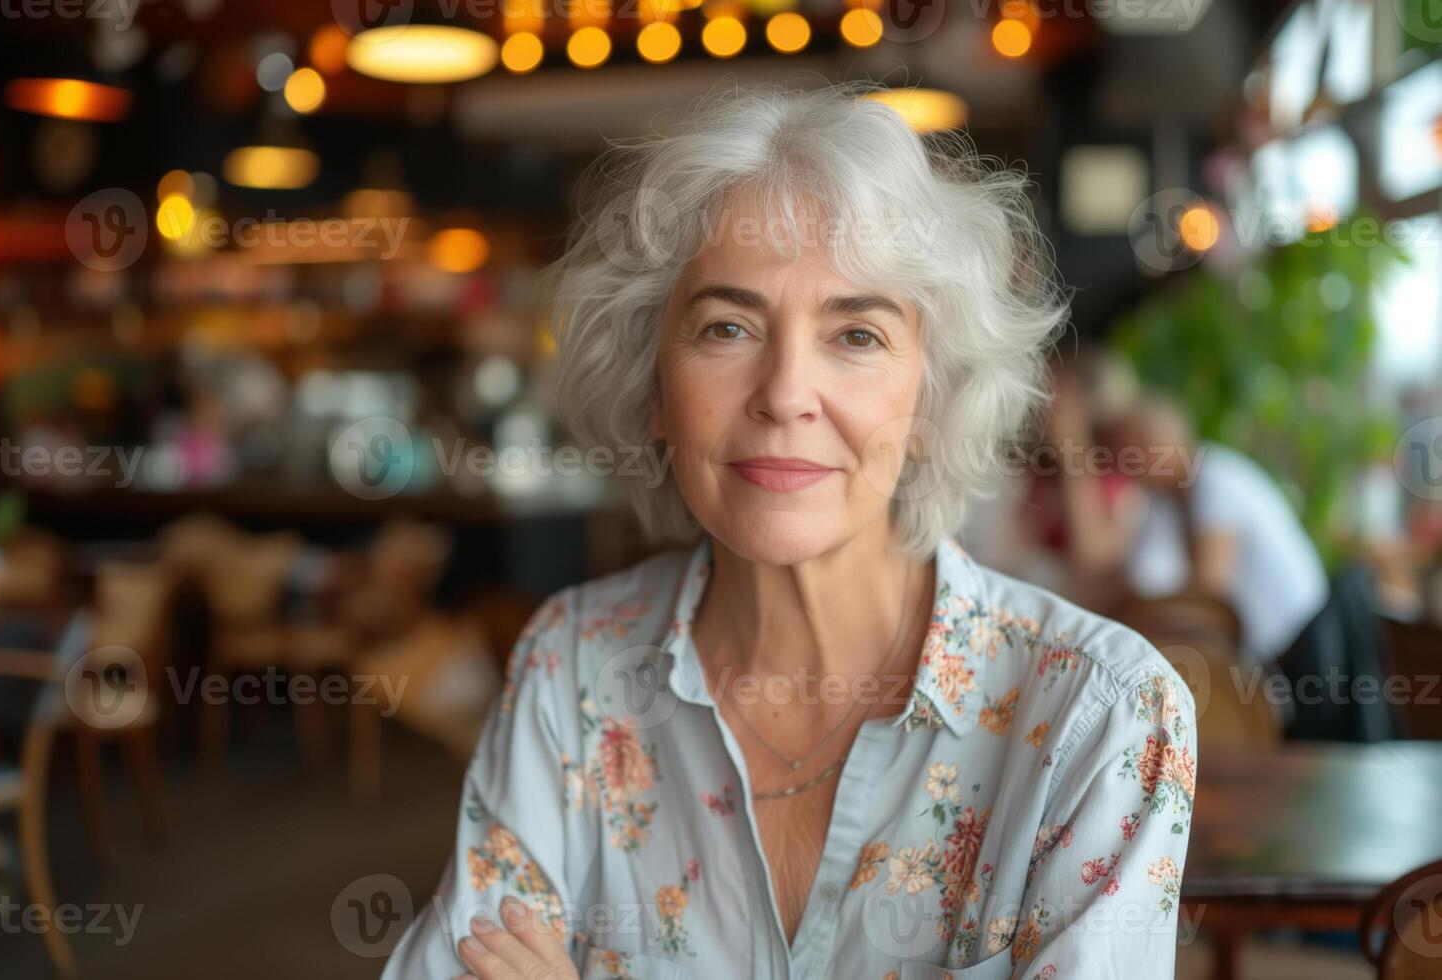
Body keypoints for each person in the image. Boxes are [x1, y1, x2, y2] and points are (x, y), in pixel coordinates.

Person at [382, 83, 1197, 980]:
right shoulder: (572, 669)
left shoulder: (1101, 719)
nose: (782, 394)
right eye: (727, 327)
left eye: (856, 335)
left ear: (933, 397)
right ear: (654, 390)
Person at [1093, 396, 1330, 669]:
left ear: (1174, 436)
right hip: (1265, 656)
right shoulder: (1166, 502)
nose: (1129, 456)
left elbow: (1208, 598)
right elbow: (1134, 576)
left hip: (1299, 651)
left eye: (1139, 442)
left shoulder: (1214, 479)